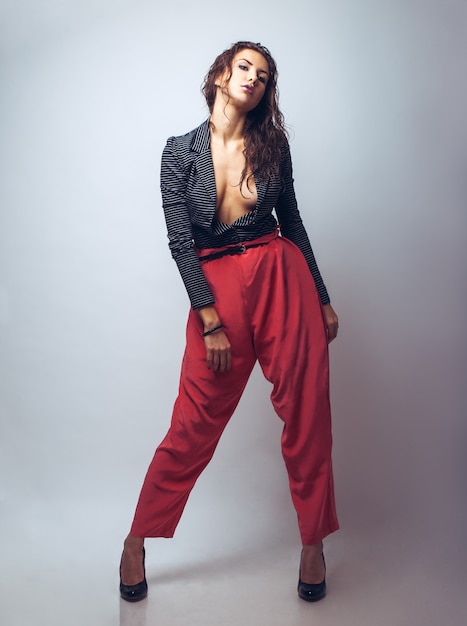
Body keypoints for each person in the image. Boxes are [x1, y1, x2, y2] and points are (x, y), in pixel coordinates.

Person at [119, 41, 339, 604]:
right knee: (193, 426)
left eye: (263, 76)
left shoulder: (272, 144)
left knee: (306, 414)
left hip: (281, 277)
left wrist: (321, 294)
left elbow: (291, 219)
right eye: (245, 67)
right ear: (220, 74)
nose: (253, 79)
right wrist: (208, 318)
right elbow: (179, 240)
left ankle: (313, 544)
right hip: (217, 290)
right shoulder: (177, 153)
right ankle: (136, 539)